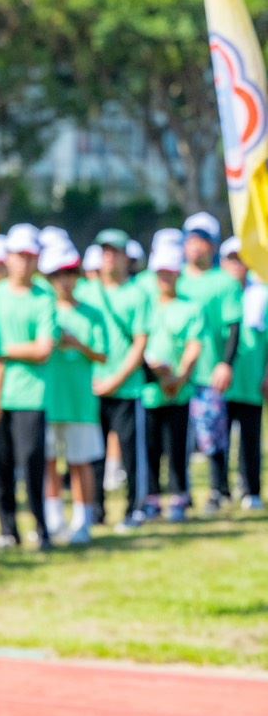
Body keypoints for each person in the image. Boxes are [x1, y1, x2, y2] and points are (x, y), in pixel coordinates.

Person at [0, 223, 58, 552]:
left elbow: (43, 349)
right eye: (18, 255)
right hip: (0, 395)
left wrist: (5, 348)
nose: (24, 262)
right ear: (8, 258)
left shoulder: (44, 296)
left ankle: (41, 527)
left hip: (31, 396)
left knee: (32, 462)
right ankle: (7, 527)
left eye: (30, 256)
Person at [77, 229, 152, 530]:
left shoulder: (137, 293)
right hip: (92, 385)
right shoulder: (86, 292)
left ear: (125, 257)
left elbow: (140, 342)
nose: (109, 257)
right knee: (93, 453)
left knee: (132, 453)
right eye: (105, 251)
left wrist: (117, 379)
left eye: (115, 252)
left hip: (127, 387)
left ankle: (135, 508)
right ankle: (96, 509)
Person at [176, 213, 243, 514]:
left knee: (213, 436)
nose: (195, 246)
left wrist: (225, 363)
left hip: (207, 371)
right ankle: (181, 493)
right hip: (176, 374)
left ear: (213, 246)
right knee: (179, 438)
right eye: (191, 239)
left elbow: (234, 328)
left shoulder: (225, 282)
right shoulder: (174, 278)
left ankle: (219, 490)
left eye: (202, 240)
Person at [42, 242, 108, 545]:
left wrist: (78, 345)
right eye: (58, 274)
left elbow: (103, 354)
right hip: (48, 399)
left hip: (80, 401)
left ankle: (84, 519)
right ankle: (53, 519)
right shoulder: (44, 310)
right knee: (50, 461)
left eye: (70, 273)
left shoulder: (92, 313)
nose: (65, 280)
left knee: (81, 462)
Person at [143, 242, 203, 523]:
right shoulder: (145, 306)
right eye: (161, 273)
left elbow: (194, 346)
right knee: (151, 448)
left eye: (170, 273)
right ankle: (152, 499)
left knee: (178, 448)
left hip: (178, 390)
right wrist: (157, 372)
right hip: (150, 390)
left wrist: (178, 378)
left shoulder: (190, 308)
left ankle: (180, 497)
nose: (165, 279)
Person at [220, 238, 265, 510]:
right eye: (232, 259)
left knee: (250, 438)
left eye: (241, 259)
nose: (237, 265)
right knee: (217, 440)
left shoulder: (261, 294)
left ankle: (252, 489)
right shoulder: (219, 293)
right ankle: (220, 490)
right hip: (220, 384)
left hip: (251, 382)